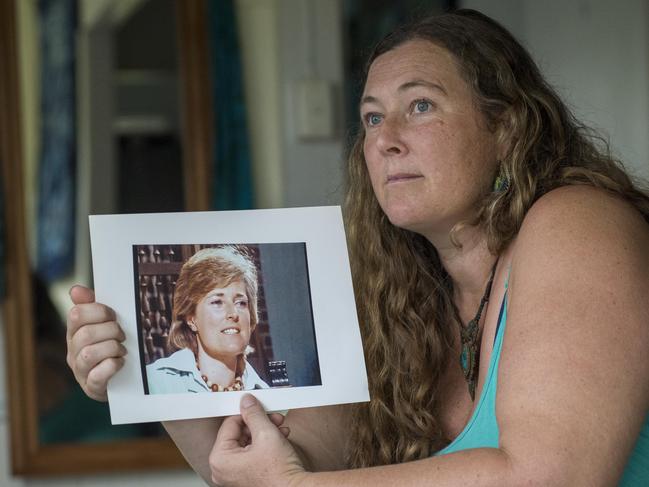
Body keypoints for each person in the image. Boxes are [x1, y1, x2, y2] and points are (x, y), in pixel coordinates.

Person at [66, 9, 649, 486]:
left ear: (507, 127)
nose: (386, 140)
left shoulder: (578, 220)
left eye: (419, 105)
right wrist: (137, 372)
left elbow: (554, 474)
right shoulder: (390, 295)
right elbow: (271, 469)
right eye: (371, 118)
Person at [145, 246, 268, 394]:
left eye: (240, 303)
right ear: (191, 319)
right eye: (217, 302)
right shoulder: (154, 383)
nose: (233, 313)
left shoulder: (265, 391)